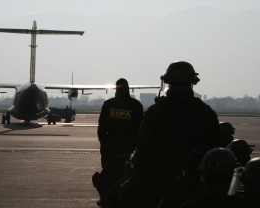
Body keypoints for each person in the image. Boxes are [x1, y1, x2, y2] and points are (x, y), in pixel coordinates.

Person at [134, 61, 221, 207]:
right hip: (196, 184)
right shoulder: (206, 112)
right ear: (192, 83)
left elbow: (143, 149)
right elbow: (217, 147)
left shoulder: (155, 112)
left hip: (160, 182)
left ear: (169, 82)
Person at [94, 78, 144, 207]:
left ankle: (106, 199)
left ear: (116, 89)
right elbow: (141, 129)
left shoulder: (108, 104)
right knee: (129, 176)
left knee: (109, 175)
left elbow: (101, 128)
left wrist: (104, 144)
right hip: (129, 148)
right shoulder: (136, 105)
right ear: (128, 89)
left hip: (111, 148)